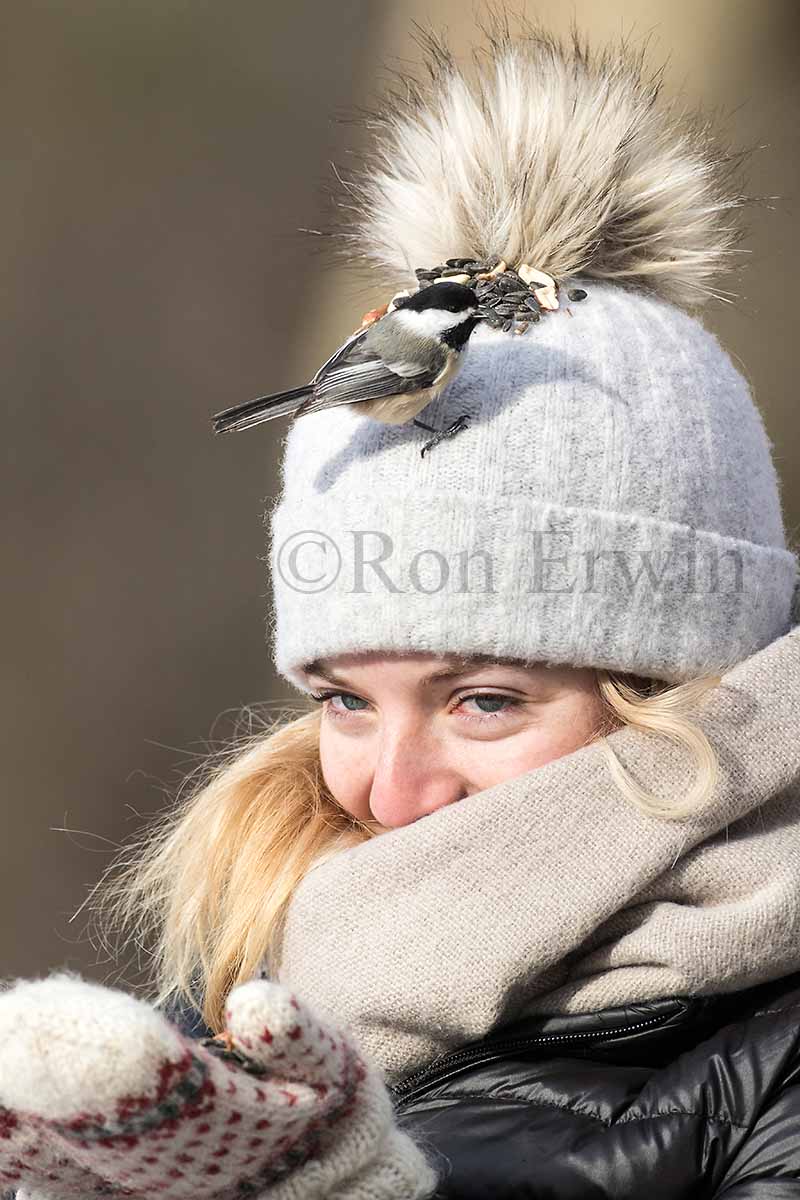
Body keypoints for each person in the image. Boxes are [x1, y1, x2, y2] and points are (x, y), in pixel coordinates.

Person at [2, 15, 800, 1200]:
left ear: (700, 694)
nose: (387, 794)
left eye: (482, 700)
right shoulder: (239, 1002)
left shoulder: (766, 1058)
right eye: (342, 700)